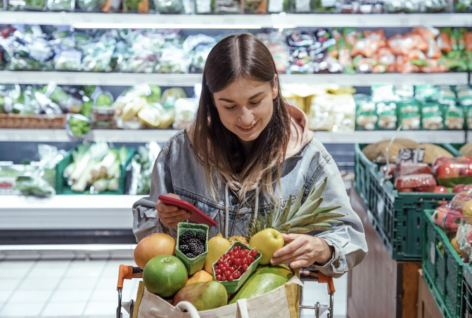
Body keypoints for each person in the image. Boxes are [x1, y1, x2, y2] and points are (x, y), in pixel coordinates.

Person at [133, 33, 367, 277]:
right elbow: (147, 234)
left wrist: (323, 248)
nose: (246, 119)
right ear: (211, 100)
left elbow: (349, 235)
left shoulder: (311, 159)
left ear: (274, 86)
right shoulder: (179, 152)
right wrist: (163, 220)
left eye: (255, 101)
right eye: (230, 106)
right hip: (195, 303)